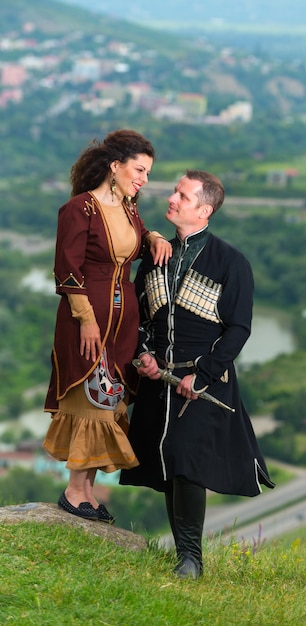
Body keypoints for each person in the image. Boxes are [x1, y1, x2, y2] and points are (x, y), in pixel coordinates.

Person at [120, 169, 274, 578]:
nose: (172, 198)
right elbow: (137, 318)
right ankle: (183, 557)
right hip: (158, 384)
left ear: (204, 210)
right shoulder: (156, 257)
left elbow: (238, 327)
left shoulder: (231, 262)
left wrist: (202, 374)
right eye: (174, 191)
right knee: (167, 463)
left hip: (202, 383)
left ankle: (191, 560)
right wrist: (142, 355)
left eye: (182, 196)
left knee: (187, 462)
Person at [43, 129, 172, 523]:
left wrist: (152, 236)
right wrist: (85, 321)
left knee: (110, 398)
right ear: (114, 167)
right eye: (139, 169)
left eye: (148, 172)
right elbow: (67, 270)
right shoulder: (79, 209)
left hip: (123, 323)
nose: (144, 179)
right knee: (90, 399)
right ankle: (72, 491)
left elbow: (128, 240)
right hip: (89, 321)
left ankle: (86, 492)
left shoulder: (129, 207)